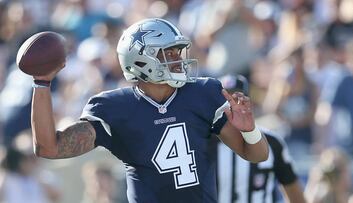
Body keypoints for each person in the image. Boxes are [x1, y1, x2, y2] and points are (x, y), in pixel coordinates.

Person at [30, 18, 269, 203]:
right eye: (169, 52)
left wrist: (249, 130)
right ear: (140, 59)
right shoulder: (114, 108)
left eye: (178, 51)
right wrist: (42, 83)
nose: (178, 58)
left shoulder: (204, 94)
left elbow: (257, 155)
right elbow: (49, 148)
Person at [217, 75, 306, 203]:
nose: (231, 105)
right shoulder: (204, 140)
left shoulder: (272, 142)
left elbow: (292, 188)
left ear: (249, 102)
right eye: (226, 99)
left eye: (236, 99)